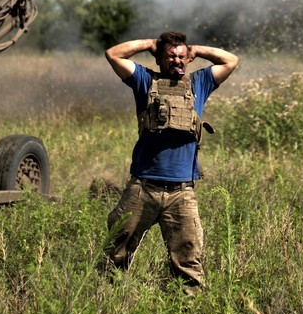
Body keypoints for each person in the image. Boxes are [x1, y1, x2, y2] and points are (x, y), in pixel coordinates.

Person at [102, 30, 240, 294]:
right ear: (159, 59)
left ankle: (188, 311)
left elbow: (231, 60)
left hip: (182, 193)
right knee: (115, 254)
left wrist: (196, 50)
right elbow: (113, 54)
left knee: (188, 262)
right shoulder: (144, 80)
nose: (177, 61)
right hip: (143, 188)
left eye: (181, 56)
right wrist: (150, 44)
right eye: (170, 56)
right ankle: (107, 301)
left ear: (188, 59)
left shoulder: (199, 83)